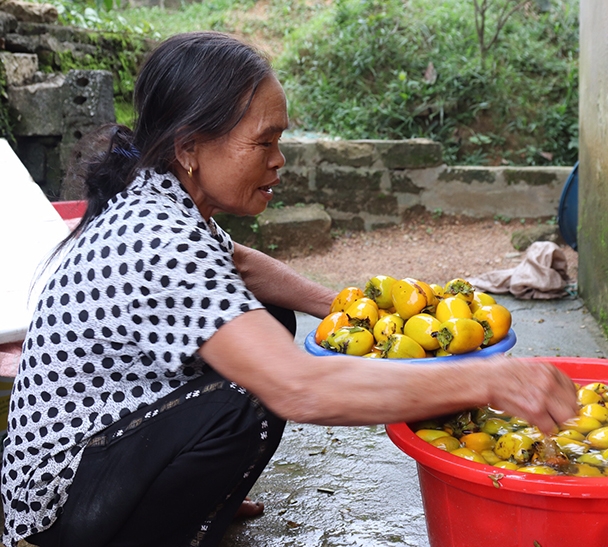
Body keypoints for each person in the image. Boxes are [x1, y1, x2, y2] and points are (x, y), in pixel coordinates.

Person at [1, 31, 578, 547]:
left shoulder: (163, 195)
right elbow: (300, 390)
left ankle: (202, 499)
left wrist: (356, 311)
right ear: (189, 148)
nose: (280, 162)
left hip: (100, 452)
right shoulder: (157, 238)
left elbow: (241, 266)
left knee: (270, 319)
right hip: (59, 506)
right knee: (249, 398)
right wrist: (489, 379)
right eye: (264, 142)